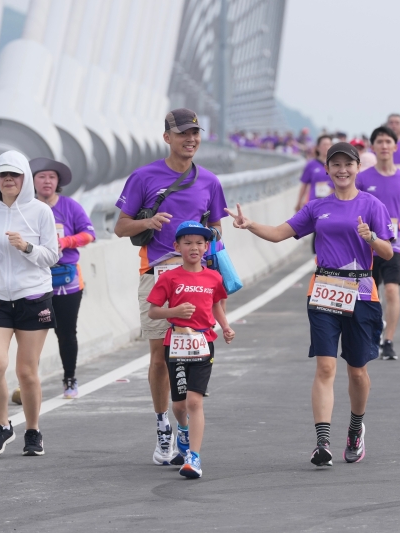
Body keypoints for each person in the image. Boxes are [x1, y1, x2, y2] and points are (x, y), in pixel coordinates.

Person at [224, 142, 394, 466]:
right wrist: (249, 224)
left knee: (357, 371)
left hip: (361, 291)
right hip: (325, 289)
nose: (342, 170)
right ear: (326, 170)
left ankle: (355, 429)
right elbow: (279, 233)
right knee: (325, 366)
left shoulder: (372, 205)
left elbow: (388, 252)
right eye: (336, 165)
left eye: (348, 164)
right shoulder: (317, 207)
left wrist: (371, 238)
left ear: (357, 167)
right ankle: (322, 442)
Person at [114, 108, 228, 466]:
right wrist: (148, 222)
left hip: (196, 281)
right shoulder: (143, 177)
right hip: (158, 275)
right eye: (182, 134)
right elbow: (120, 227)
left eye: (195, 133)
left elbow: (217, 228)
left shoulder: (209, 181)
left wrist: (205, 240)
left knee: (191, 355)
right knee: (160, 358)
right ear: (167, 138)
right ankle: (163, 425)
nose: (190, 139)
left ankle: (184, 428)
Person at [0, 151, 60, 456]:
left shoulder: (40, 212)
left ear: (24, 179)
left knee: (26, 371)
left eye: (14, 175)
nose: (8, 179)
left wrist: (26, 247)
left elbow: (52, 256)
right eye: (3, 175)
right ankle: (3, 425)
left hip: (33, 297)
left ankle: (33, 431)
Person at [147, 221, 235, 479]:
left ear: (206, 247)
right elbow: (153, 311)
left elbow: (216, 304)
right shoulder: (169, 278)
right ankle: (183, 430)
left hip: (203, 343)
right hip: (175, 344)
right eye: (187, 243)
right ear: (177, 247)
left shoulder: (213, 277)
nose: (194, 247)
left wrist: (226, 326)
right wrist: (174, 311)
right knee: (179, 405)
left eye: (199, 243)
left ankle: (193, 457)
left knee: (195, 401)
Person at [31, 158, 96, 398]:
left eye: (52, 177)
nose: (47, 181)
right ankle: (28, 382)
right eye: (41, 176)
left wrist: (67, 241)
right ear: (33, 181)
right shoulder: (25, 208)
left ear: (58, 181)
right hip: (33, 278)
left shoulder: (70, 206)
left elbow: (90, 234)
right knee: (31, 333)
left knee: (66, 332)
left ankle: (70, 378)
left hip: (67, 279)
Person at [356, 126, 400, 360]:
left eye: (388, 141)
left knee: (392, 290)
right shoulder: (362, 179)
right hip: (367, 247)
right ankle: (374, 332)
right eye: (379, 142)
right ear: (372, 147)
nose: (383, 146)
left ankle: (388, 341)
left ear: (395, 147)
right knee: (370, 296)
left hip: (394, 245)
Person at [297, 135, 334, 211]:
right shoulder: (311, 164)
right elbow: (304, 185)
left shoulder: (336, 164)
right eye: (324, 145)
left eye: (329, 144)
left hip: (332, 204)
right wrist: (299, 202)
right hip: (315, 204)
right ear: (318, 147)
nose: (327, 147)